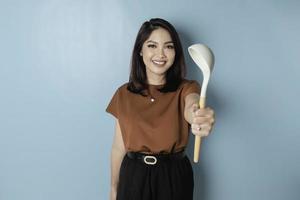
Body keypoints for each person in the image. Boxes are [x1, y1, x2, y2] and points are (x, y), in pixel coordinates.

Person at [106, 18, 215, 200]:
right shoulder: (123, 93)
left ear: (176, 52)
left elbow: (192, 106)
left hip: (173, 176)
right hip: (133, 176)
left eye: (168, 46)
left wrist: (198, 116)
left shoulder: (187, 88)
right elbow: (118, 148)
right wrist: (113, 188)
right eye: (152, 46)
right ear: (140, 50)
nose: (161, 54)